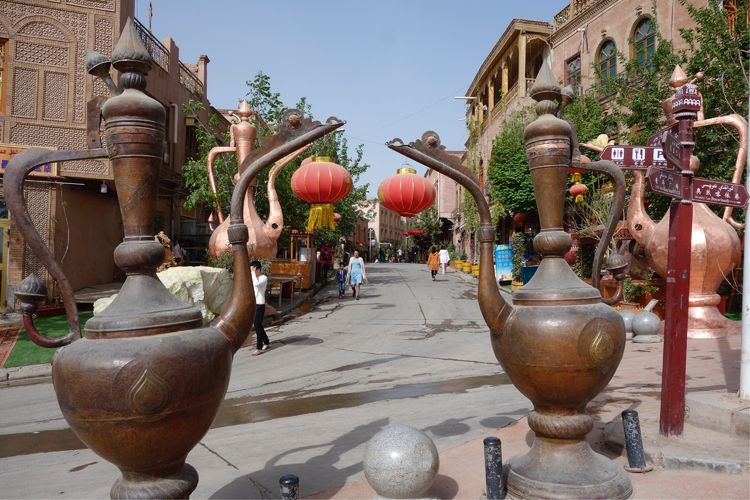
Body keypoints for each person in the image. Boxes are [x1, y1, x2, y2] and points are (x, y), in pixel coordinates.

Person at [250, 260, 270, 356]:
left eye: (253, 269)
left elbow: (256, 284)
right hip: (254, 304)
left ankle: (259, 348)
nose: (252, 272)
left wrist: (253, 273)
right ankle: (266, 341)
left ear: (258, 269)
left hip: (260, 304)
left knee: (257, 325)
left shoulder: (263, 278)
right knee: (258, 325)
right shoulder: (254, 277)